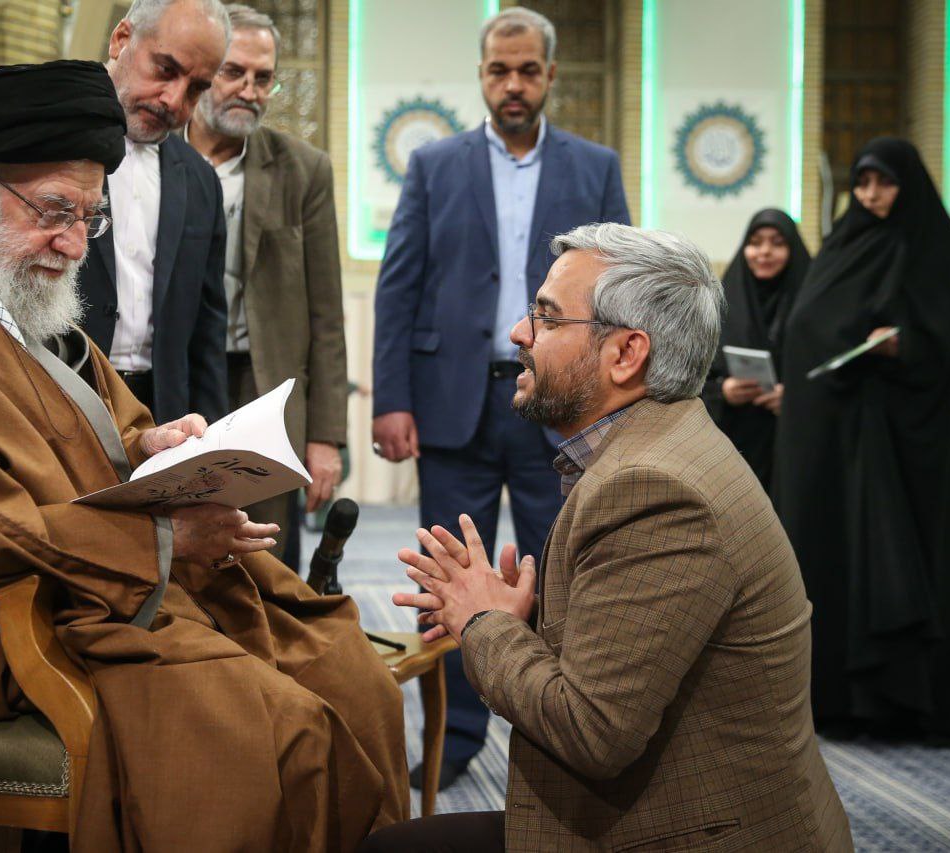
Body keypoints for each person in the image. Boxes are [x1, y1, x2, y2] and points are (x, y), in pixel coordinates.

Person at [0, 57, 407, 852]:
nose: (74, 244)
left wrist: (152, 445)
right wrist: (161, 539)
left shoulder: (8, 294)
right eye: (54, 211)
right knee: (277, 728)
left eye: (90, 218)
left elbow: (105, 422)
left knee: (344, 667)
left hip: (83, 585)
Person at [363, 222, 853, 852]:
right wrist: (524, 620)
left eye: (546, 318)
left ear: (625, 354)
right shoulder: (664, 441)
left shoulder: (655, 490)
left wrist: (484, 623)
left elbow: (591, 732)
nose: (518, 334)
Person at [371, 6, 630, 789]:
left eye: (526, 70)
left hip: (557, 405)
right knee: (452, 575)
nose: (512, 84)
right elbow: (399, 286)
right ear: (481, 75)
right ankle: (452, 738)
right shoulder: (434, 165)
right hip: (452, 402)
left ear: (549, 75)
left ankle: (559, 734)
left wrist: (614, 400)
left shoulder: (595, 167)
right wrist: (392, 399)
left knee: (564, 574)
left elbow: (620, 293)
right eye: (498, 70)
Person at [0, 0, 231, 424]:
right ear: (121, 39)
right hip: (32, 396)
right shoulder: (34, 113)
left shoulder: (200, 180)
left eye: (196, 88)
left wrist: (216, 437)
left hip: (161, 411)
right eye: (165, 69)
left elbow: (207, 330)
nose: (174, 100)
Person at [774, 137, 950, 743]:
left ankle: (906, 702)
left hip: (912, 445)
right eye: (862, 183)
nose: (870, 195)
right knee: (836, 558)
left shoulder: (940, 251)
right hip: (839, 445)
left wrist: (905, 346)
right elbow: (811, 327)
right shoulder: (844, 247)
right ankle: (838, 699)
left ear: (908, 184)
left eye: (884, 183)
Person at [184, 4, 347, 566]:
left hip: (265, 388)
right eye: (234, 72)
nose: (249, 91)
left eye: (263, 78)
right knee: (179, 548)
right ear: (205, 71)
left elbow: (326, 313)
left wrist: (325, 437)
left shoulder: (303, 169)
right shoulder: (157, 159)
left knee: (266, 558)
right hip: (177, 380)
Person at [702, 208, 810, 489]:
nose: (764, 252)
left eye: (777, 243)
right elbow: (695, 375)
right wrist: (723, 391)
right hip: (735, 443)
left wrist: (797, 398)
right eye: (755, 242)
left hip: (794, 445)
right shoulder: (721, 306)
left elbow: (829, 373)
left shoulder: (812, 306)